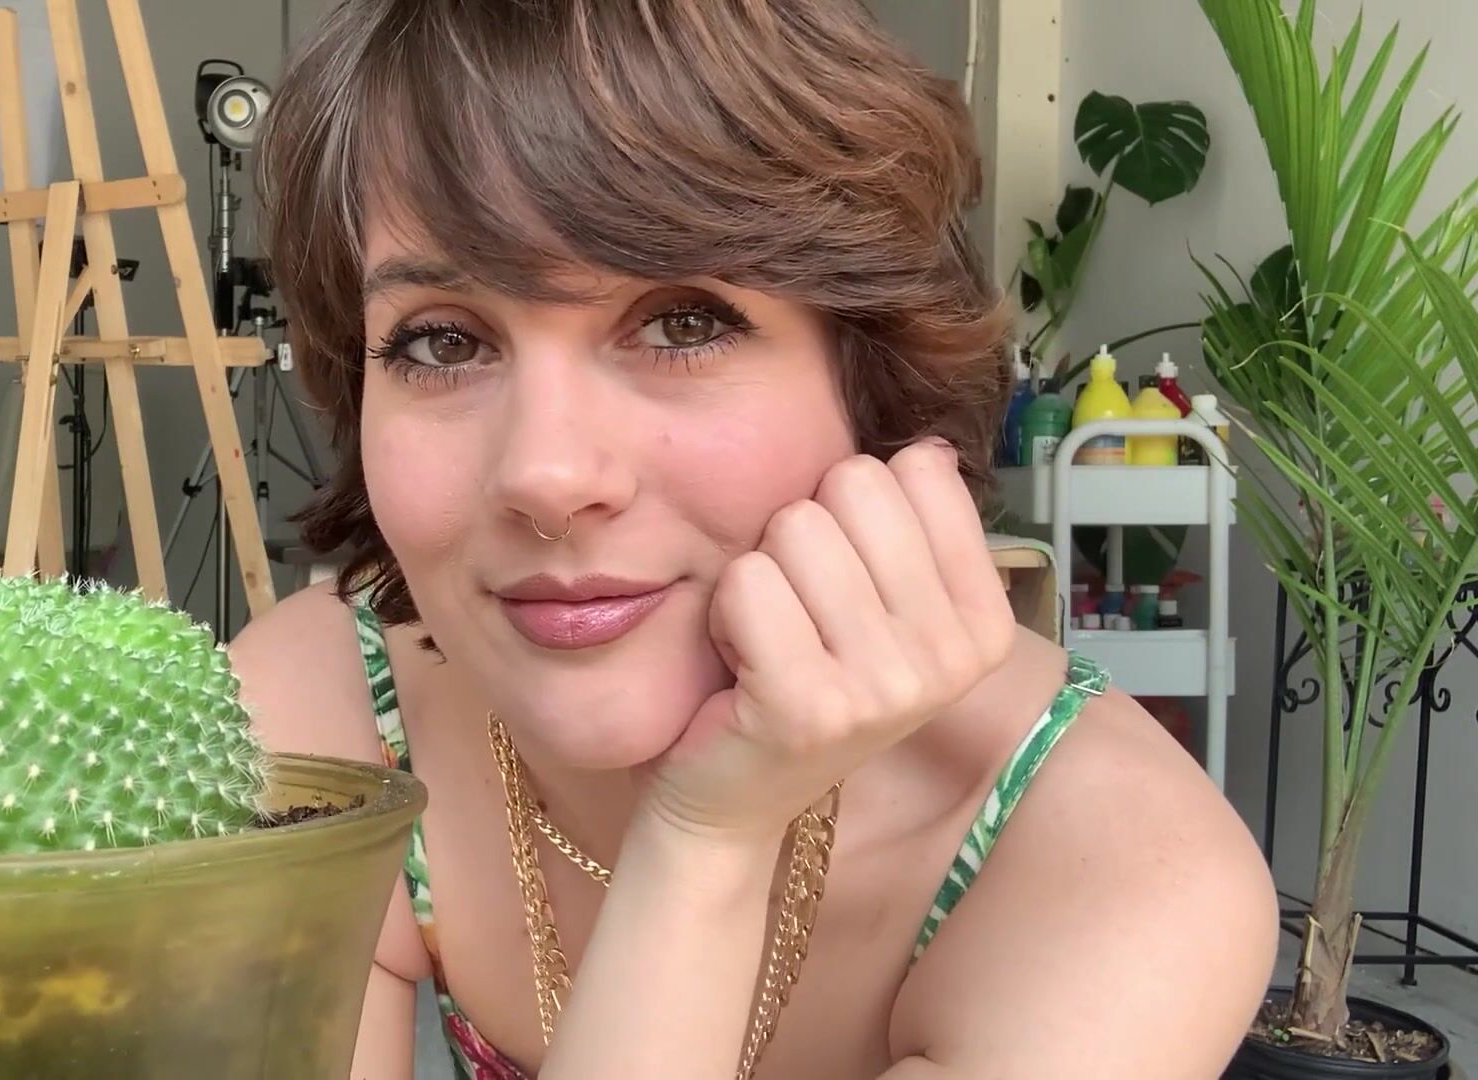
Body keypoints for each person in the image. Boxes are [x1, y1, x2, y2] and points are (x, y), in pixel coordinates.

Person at [230, 1, 1279, 1076]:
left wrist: (708, 837)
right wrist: (702, 842)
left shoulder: (1114, 871)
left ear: (869, 371)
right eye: (443, 342)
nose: (546, 475)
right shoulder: (321, 728)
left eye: (683, 322)